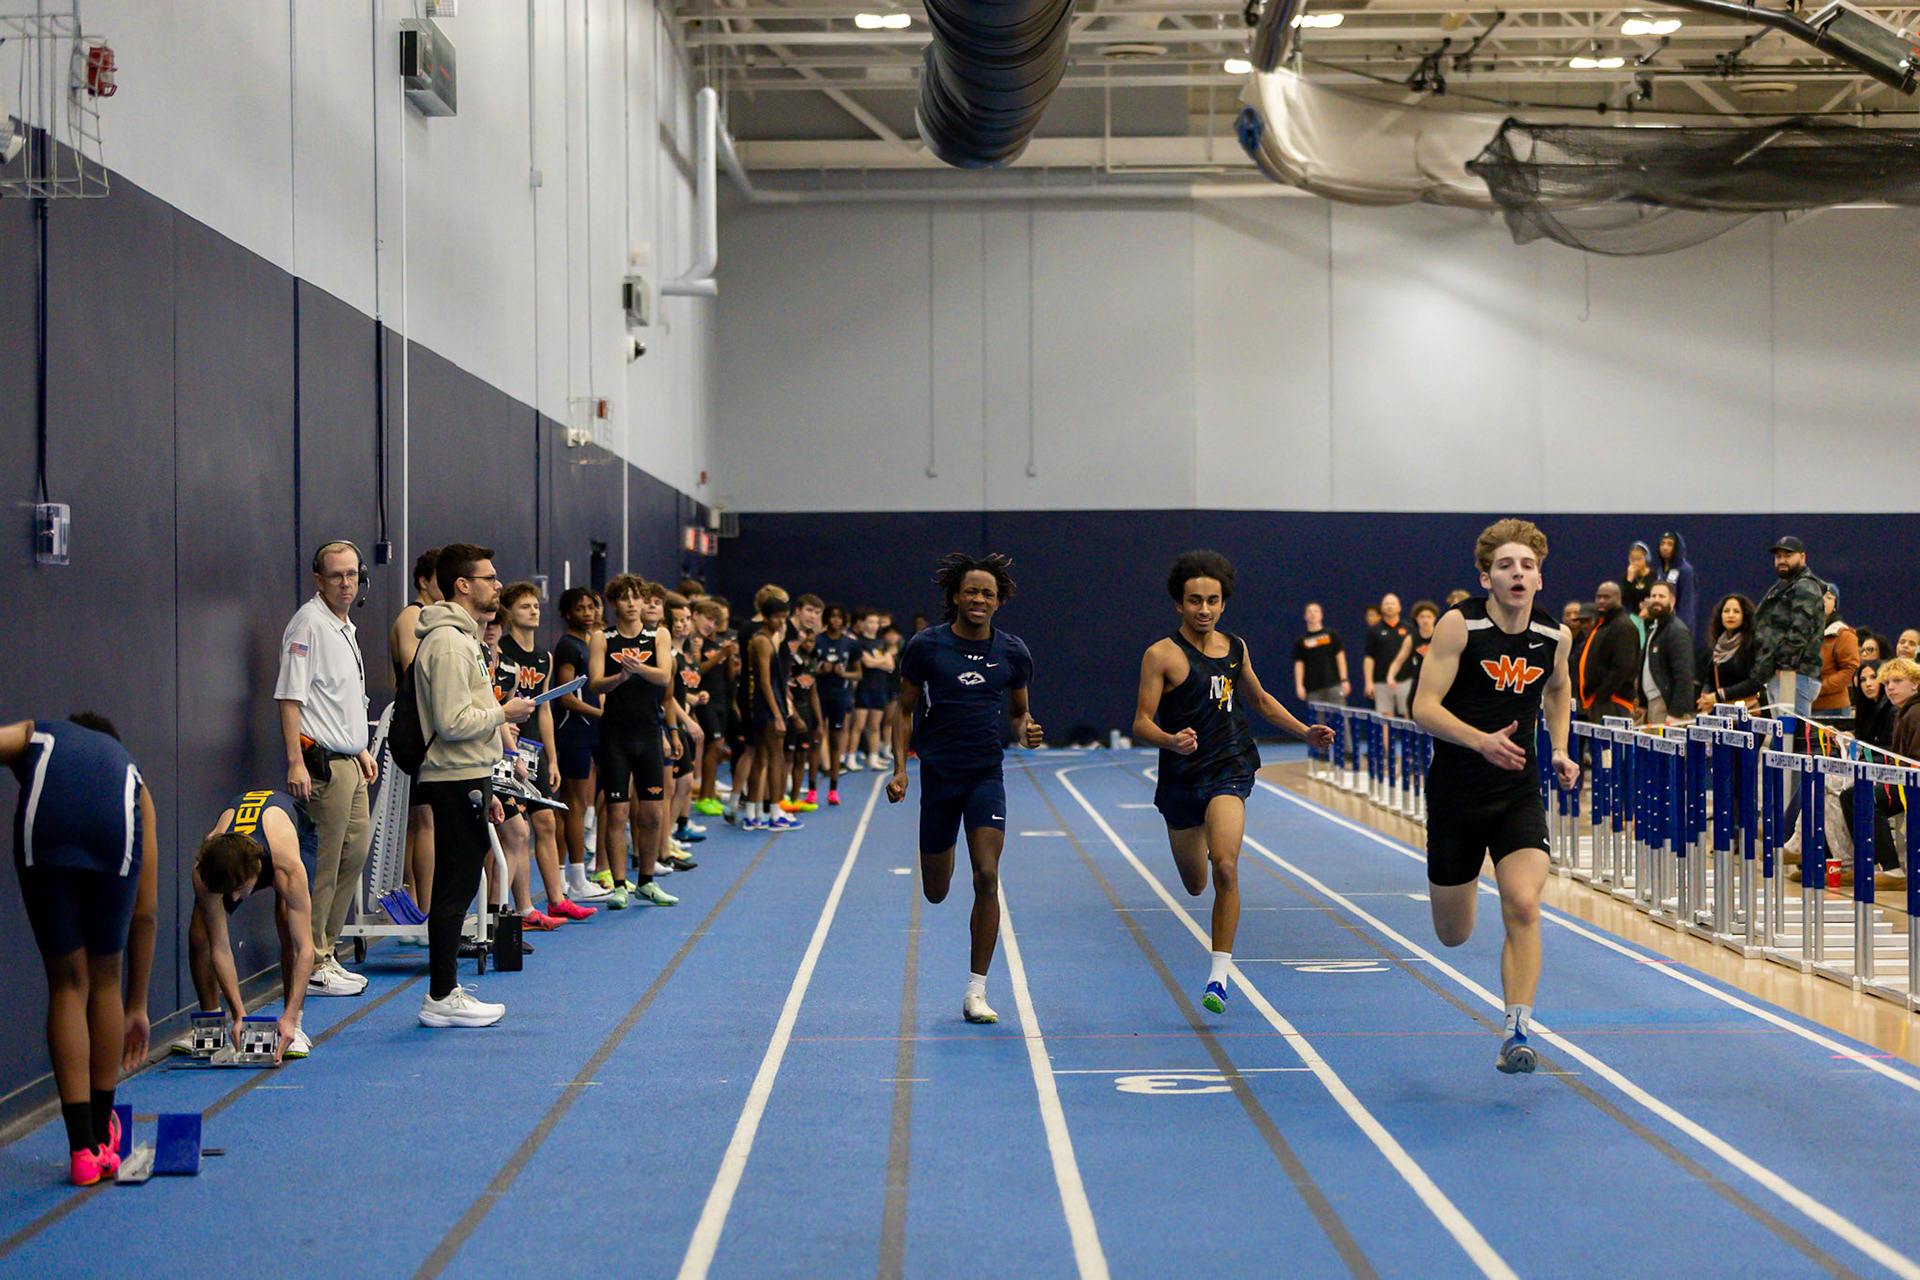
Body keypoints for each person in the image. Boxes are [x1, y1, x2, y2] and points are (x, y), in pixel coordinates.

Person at [1132, 551, 1333, 1014]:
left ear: (1224, 603)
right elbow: (1141, 722)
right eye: (1194, 601)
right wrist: (1170, 740)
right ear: (1179, 603)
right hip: (1182, 778)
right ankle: (1201, 829)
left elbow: (1259, 701)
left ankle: (1219, 977)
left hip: (1229, 767)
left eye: (1213, 601)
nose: (1204, 609)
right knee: (1196, 883)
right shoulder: (1161, 655)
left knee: (1225, 867)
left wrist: (1305, 732)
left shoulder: (1236, 648)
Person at [1411, 519, 1578, 1076]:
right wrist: (1480, 741)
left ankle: (1517, 1031)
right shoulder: (1459, 626)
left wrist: (1559, 748)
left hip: (1516, 792)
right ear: (1486, 577)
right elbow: (1423, 707)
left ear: (1540, 579)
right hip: (1456, 795)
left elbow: (1559, 689)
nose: (1518, 574)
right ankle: (1464, 887)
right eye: (1506, 565)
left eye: (1528, 566)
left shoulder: (1555, 637)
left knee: (1524, 904)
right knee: (1452, 934)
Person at [4, 713, 158, 1185]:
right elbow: (146, 912)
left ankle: (81, 1151)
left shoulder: (44, 734)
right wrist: (137, 1005)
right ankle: (101, 1139)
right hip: (116, 826)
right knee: (104, 979)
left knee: (68, 984)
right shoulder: (130, 774)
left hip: (44, 817)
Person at [888, 553, 1042, 1025]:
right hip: (939, 777)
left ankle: (976, 991)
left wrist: (1026, 730)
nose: (979, 599)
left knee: (987, 875)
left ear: (999, 601)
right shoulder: (926, 646)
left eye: (988, 593)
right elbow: (904, 709)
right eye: (971, 591)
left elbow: (1018, 713)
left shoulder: (1012, 651)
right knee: (936, 891)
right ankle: (946, 849)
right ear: (955, 596)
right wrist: (900, 769)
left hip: (985, 776)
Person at [411, 544, 534, 1028]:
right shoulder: (447, 643)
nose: (498, 585)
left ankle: (445, 991)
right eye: (489, 578)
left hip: (468, 775)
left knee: (460, 885)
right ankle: (441, 995)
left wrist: (489, 783)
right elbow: (452, 721)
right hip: (452, 776)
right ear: (463, 585)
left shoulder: (465, 638)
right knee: (454, 888)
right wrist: (505, 713)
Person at [275, 542, 376, 998]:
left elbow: (338, 698)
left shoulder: (344, 627)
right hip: (321, 766)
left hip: (350, 762)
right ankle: (311, 961)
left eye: (352, 574)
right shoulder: (309, 624)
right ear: (319, 580)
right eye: (336, 575)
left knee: (353, 856)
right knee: (323, 866)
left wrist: (360, 749)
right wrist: (295, 760)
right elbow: (290, 698)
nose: (346, 583)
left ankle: (327, 952)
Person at [187, 790, 318, 1063]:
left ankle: (294, 1024)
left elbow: (305, 949)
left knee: (288, 923)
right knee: (200, 935)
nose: (233, 899)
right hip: (241, 854)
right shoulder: (203, 871)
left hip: (295, 837)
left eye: (238, 890)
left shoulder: (286, 866)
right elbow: (220, 947)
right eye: (228, 892)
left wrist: (289, 1018)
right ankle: (211, 1028)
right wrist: (240, 1016)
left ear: (256, 872)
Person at [587, 576, 680, 904]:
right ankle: (618, 886)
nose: (631, 604)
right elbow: (595, 684)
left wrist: (638, 669)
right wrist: (620, 676)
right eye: (624, 598)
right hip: (615, 736)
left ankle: (647, 880)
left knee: (653, 814)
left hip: (648, 733)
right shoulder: (602, 638)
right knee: (617, 813)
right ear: (613, 603)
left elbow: (664, 676)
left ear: (643, 602)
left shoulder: (658, 635)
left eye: (636, 598)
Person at [1716, 536, 1826, 718]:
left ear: (1802, 557)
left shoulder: (1805, 587)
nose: (1782, 560)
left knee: (1792, 733)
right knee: (1782, 732)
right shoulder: (1782, 587)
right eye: (1778, 556)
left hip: (1794, 675)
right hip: (1778, 675)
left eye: (1788, 556)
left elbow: (1800, 631)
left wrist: (1786, 666)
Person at [550, 587, 610, 902]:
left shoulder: (587, 645)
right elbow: (565, 696)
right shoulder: (568, 647)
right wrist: (601, 713)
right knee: (572, 805)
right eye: (580, 608)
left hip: (588, 732)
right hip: (572, 732)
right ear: (567, 613)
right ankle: (576, 879)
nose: (587, 613)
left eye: (591, 607)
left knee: (577, 806)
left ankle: (564, 877)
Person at [393, 549, 442, 914]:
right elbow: (416, 672)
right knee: (424, 820)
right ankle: (425, 913)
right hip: (417, 731)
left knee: (420, 822)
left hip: (430, 729)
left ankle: (414, 906)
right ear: (424, 581)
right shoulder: (414, 616)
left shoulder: (437, 619)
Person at [742, 587, 803, 832]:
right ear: (766, 618)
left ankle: (752, 814)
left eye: (784, 617)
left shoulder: (769, 639)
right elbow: (765, 682)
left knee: (761, 757)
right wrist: (778, 715)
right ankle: (775, 814)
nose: (781, 622)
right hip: (766, 707)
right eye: (777, 617)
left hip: (765, 705)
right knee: (775, 758)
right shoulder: (762, 642)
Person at [814, 603, 859, 806]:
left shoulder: (850, 644)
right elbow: (806, 670)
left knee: (835, 741)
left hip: (840, 696)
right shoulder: (817, 640)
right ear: (826, 619)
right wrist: (820, 670)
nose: (836, 620)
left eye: (839, 617)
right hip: (818, 696)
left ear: (844, 620)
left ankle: (833, 789)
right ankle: (812, 789)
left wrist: (844, 674)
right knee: (816, 737)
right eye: (832, 616)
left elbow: (858, 673)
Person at [1575, 582, 1639, 725]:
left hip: (1613, 701)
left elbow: (1622, 667)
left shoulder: (1623, 626)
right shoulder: (1603, 625)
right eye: (1599, 597)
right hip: (1599, 702)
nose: (1601, 601)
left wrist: (1600, 696)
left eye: (1606, 597)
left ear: (1618, 598)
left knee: (1609, 741)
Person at [1638, 581, 1695, 725]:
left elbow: (1684, 676)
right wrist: (1643, 704)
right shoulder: (1654, 629)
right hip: (1652, 703)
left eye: (1661, 596)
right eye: (1653, 596)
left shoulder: (1677, 631)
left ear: (1672, 601)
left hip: (1666, 706)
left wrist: (1676, 713)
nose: (1656, 600)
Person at [1696, 594, 1759, 712]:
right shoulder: (1718, 645)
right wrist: (1705, 697)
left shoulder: (1752, 644)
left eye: (1736, 611)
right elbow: (1710, 679)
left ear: (1745, 616)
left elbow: (1756, 681)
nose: (1730, 615)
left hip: (1747, 711)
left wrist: (1719, 695)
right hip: (1721, 711)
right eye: (1726, 611)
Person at [1812, 584, 1861, 732]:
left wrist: (1818, 688)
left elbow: (1851, 671)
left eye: (1828, 597)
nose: (1822, 600)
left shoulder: (1843, 635)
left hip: (1832, 708)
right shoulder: (1800, 633)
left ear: (1835, 606)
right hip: (1801, 704)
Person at [1292, 602, 1349, 708]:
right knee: (1317, 718)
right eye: (1309, 611)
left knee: (1339, 715)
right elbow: (1299, 664)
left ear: (1321, 615)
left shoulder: (1331, 635)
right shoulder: (1301, 641)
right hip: (1313, 688)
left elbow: (1340, 658)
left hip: (1333, 684)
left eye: (1316, 611)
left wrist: (1344, 679)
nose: (1312, 614)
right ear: (1305, 616)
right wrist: (1299, 686)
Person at [1363, 595, 1412, 716]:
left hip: (1405, 680)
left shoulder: (1409, 628)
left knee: (1408, 714)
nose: (1390, 606)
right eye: (1387, 604)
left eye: (1393, 604)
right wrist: (1369, 682)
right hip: (1381, 681)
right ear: (1382, 608)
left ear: (1399, 607)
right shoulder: (1374, 631)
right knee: (1385, 717)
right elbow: (1369, 658)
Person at [1385, 601, 1440, 696]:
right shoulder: (1411, 639)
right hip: (1419, 680)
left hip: (1438, 680)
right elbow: (1399, 660)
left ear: (1434, 618)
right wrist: (1390, 677)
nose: (1425, 620)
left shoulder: (1440, 636)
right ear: (1416, 619)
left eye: (1429, 617)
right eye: (1422, 617)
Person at [1655, 531, 1698, 635]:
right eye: (1662, 543)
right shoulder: (1660, 570)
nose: (1665, 547)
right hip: (1661, 627)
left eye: (1670, 544)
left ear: (1677, 548)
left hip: (1677, 629)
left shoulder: (1685, 571)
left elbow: (1686, 605)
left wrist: (1682, 630)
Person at [1622, 542, 1656, 636]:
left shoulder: (1654, 575)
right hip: (1635, 618)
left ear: (1646, 559)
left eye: (1639, 559)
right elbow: (1625, 602)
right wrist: (1629, 580)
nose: (1636, 562)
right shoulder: (1626, 578)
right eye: (1633, 559)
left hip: (1651, 616)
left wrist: (1648, 606)